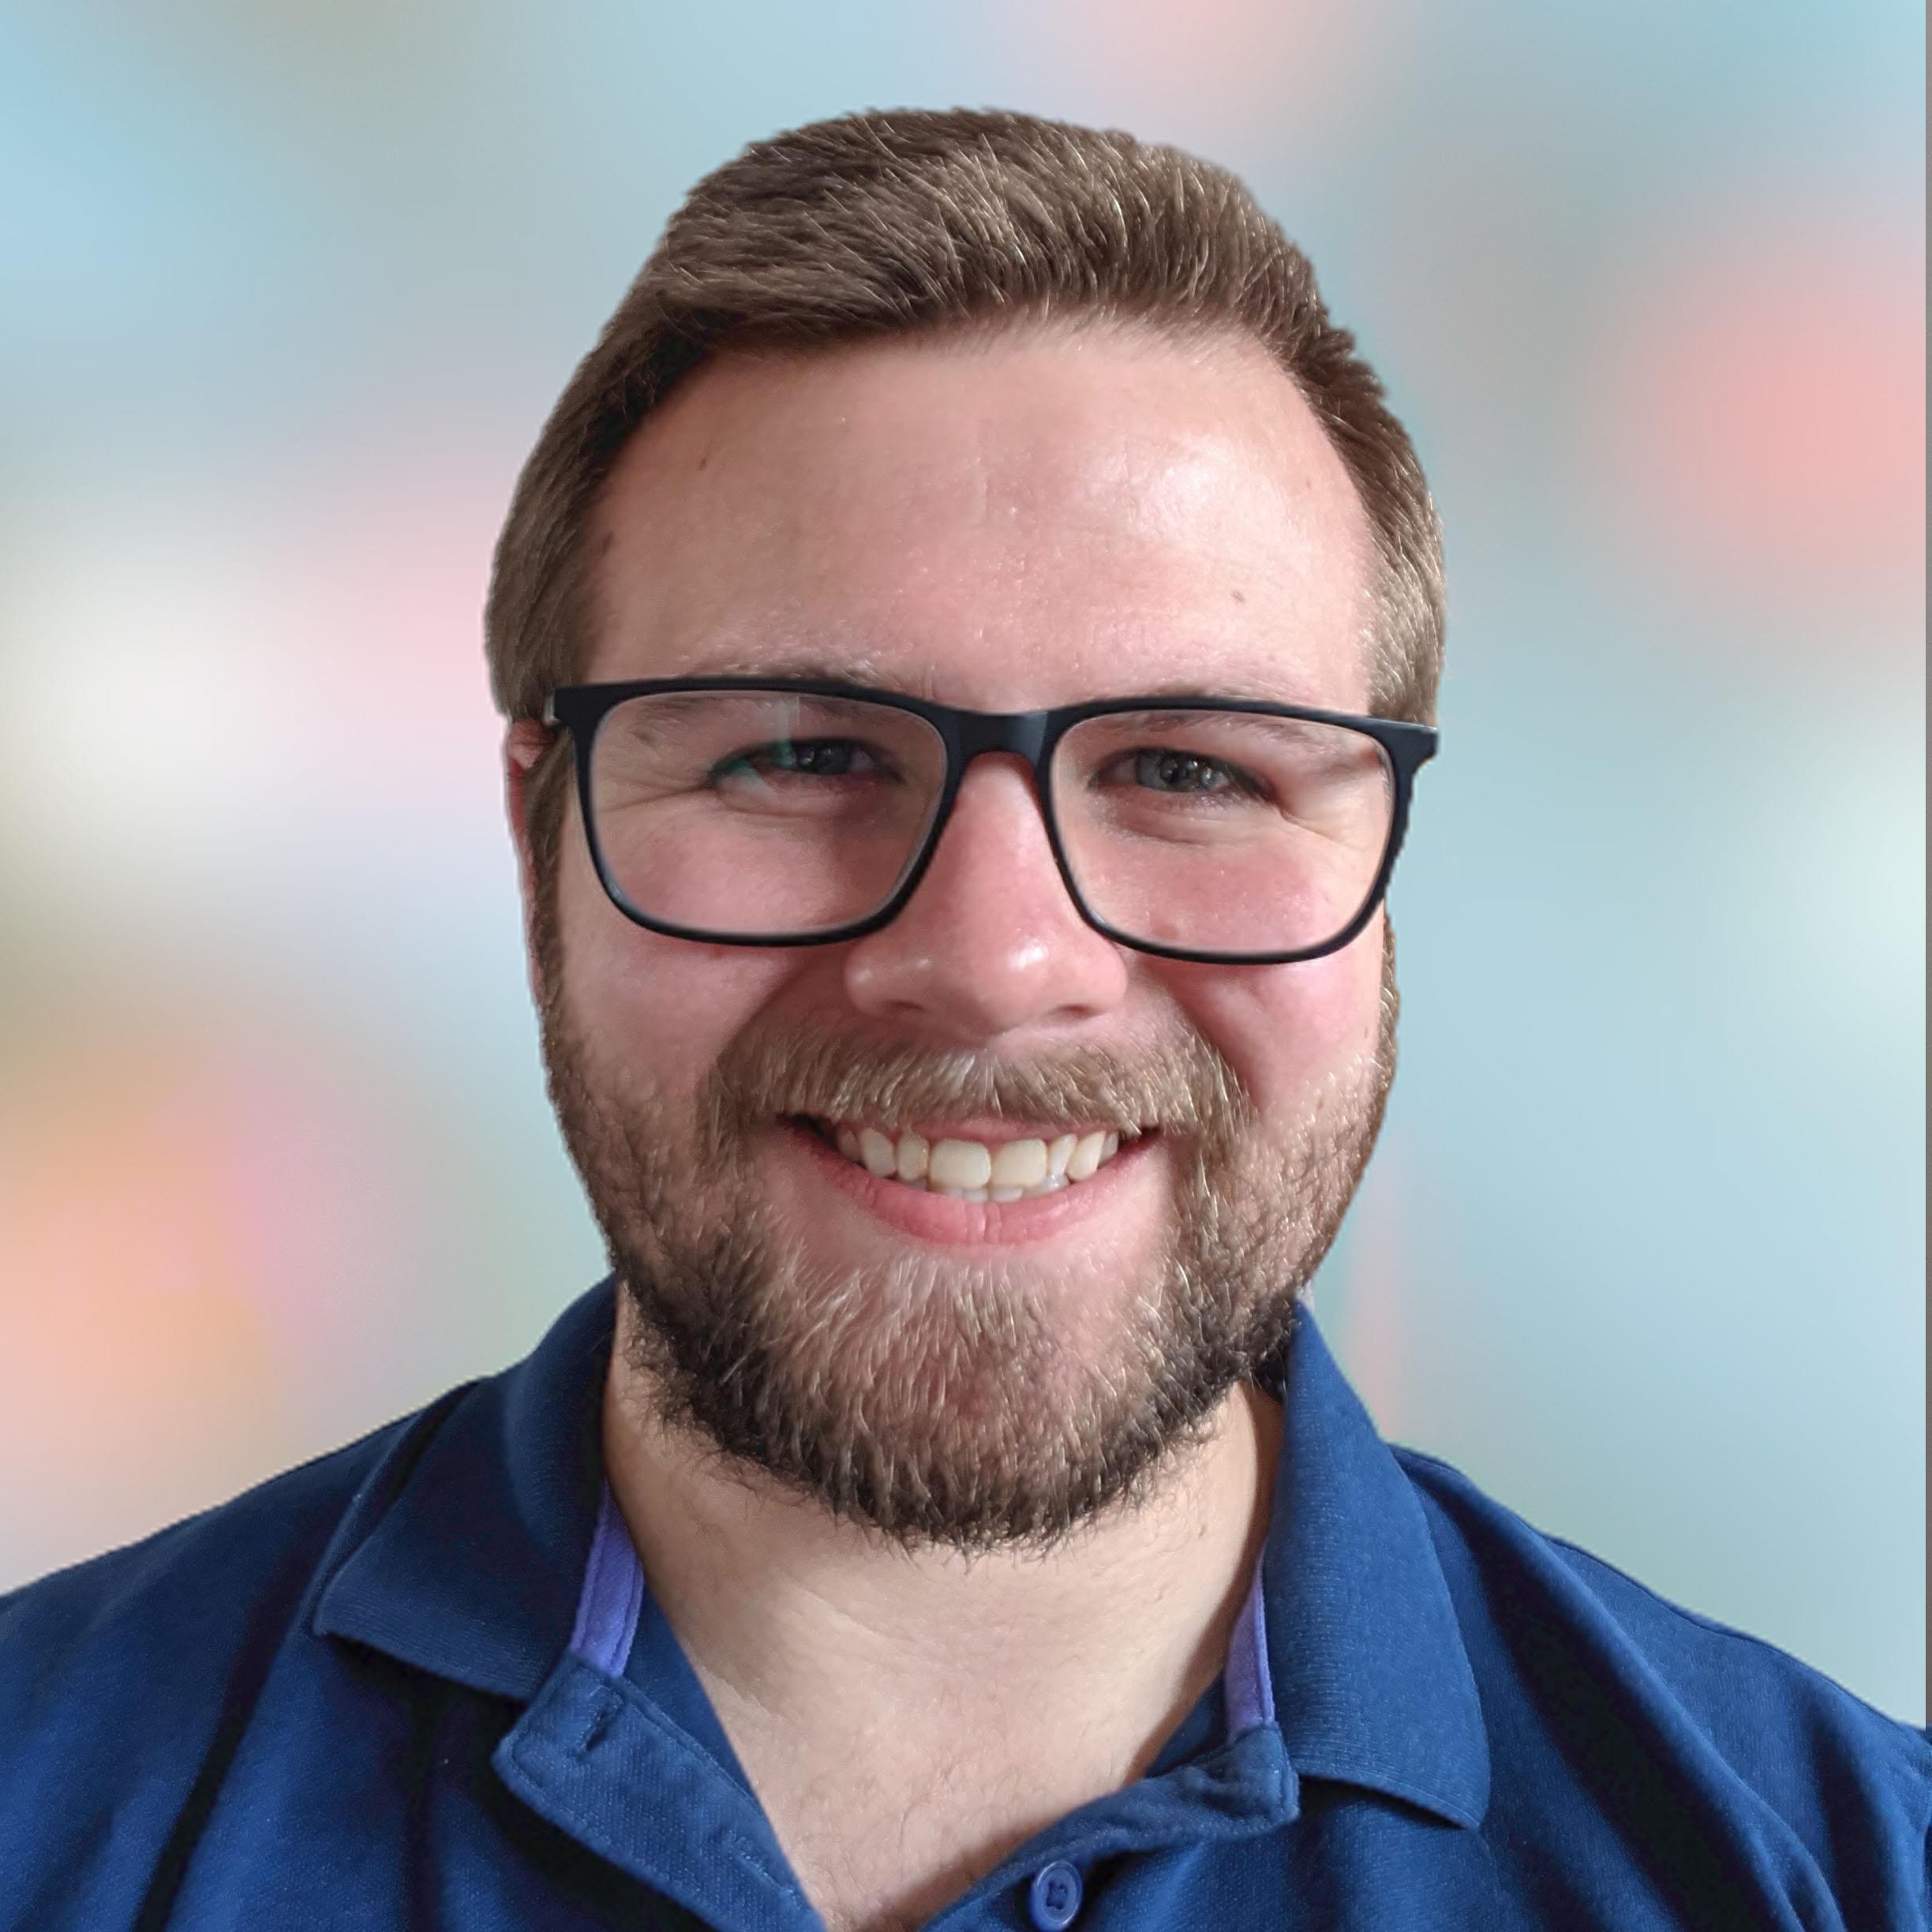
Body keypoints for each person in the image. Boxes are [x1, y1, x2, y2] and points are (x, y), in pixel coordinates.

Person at [0, 105, 1922, 1932]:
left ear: (1388, 865)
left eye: (1189, 770)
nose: (994, 961)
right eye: (803, 750)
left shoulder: (1858, 1872)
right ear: (537, 841)